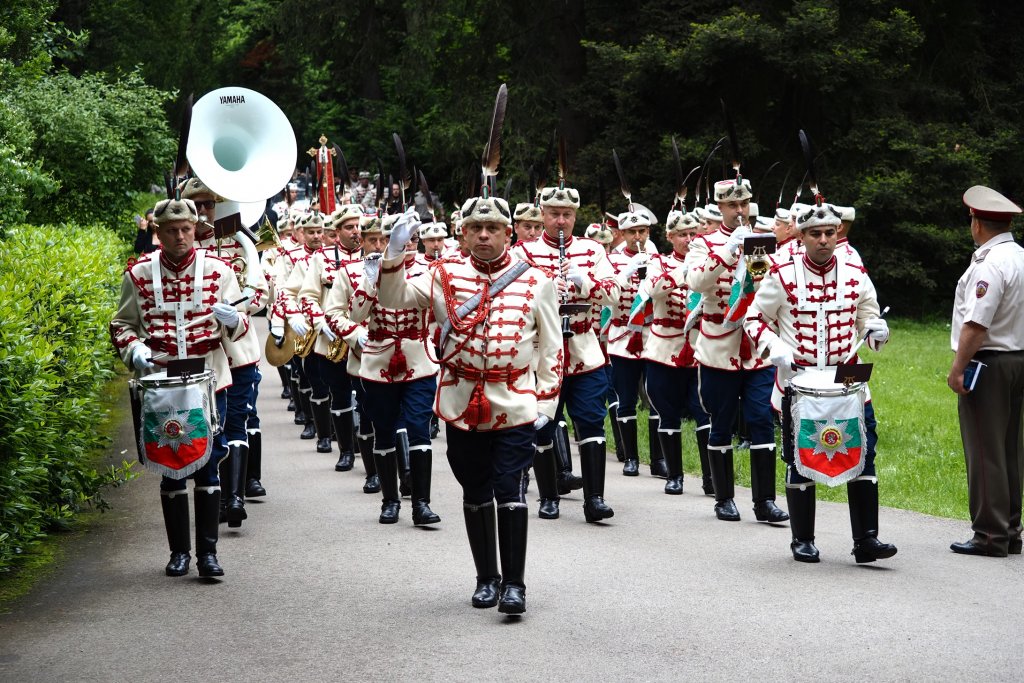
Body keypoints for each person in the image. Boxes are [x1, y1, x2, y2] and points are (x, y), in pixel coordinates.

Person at [377, 197, 562, 615]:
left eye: (493, 228)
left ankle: (515, 585)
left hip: (515, 401)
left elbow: (552, 349)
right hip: (461, 402)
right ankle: (486, 579)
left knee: (510, 487)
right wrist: (394, 253)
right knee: (475, 488)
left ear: (508, 233)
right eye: (475, 228)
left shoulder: (536, 281)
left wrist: (547, 405)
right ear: (462, 233)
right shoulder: (443, 275)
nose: (483, 235)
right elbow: (395, 299)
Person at [744, 202, 894, 563]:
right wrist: (776, 347)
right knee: (801, 458)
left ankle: (866, 540)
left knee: (865, 454)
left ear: (838, 233)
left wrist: (878, 333)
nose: (824, 240)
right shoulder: (780, 272)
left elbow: (868, 320)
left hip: (849, 381)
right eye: (815, 234)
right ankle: (803, 539)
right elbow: (753, 320)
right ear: (801, 235)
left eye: (830, 233)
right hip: (799, 381)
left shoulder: (856, 271)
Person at [110, 195, 249, 578]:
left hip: (209, 377)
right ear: (158, 233)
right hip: (161, 381)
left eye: (186, 229)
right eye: (171, 231)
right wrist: (135, 349)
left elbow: (242, 327)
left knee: (208, 463)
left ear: (195, 229)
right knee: (170, 464)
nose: (180, 237)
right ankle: (178, 553)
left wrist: (233, 319)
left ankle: (208, 554)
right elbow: (121, 324)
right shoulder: (138, 274)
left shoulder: (219, 270)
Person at [512, 182, 621, 522]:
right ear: (542, 215)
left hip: (584, 351)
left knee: (591, 423)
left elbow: (615, 294)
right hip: (542, 354)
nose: (561, 221)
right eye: (554, 214)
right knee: (544, 425)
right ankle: (549, 497)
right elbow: (513, 300)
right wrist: (547, 288)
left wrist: (582, 281)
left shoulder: (592, 251)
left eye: (567, 215)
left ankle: (595, 499)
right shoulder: (523, 253)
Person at [685, 178, 789, 524]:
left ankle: (765, 502)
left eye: (744, 204)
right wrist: (729, 250)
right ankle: (724, 498)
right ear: (720, 207)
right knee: (722, 422)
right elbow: (696, 282)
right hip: (719, 346)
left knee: (761, 420)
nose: (740, 211)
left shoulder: (763, 241)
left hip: (756, 348)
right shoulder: (703, 243)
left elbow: (773, 285)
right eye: (732, 205)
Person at [181, 177, 270, 525]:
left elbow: (261, 294)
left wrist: (238, 310)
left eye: (209, 204)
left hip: (237, 347)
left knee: (237, 419)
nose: (203, 211)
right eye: (197, 205)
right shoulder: (179, 250)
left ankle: (233, 498)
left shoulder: (239, 244)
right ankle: (214, 492)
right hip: (201, 354)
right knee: (207, 425)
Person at [347, 211, 440, 526]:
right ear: (384, 240)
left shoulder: (430, 269)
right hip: (379, 360)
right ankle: (390, 501)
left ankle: (421, 504)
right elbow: (356, 315)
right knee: (384, 430)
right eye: (397, 238)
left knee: (417, 427)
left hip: (418, 359)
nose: (409, 243)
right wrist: (370, 283)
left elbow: (429, 302)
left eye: (413, 238)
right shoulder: (367, 269)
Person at [948, 185, 1024, 557]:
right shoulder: (1020, 257)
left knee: (984, 448)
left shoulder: (990, 264)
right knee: (1009, 447)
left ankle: (989, 534)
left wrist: (958, 368)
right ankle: (1010, 528)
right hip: (1018, 359)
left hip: (989, 362)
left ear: (976, 223)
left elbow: (977, 324)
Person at [644, 210, 713, 495]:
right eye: (682, 235)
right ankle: (675, 475)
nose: (688, 239)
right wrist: (683, 272)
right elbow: (653, 290)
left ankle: (711, 478)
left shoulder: (709, 263)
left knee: (704, 412)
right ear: (670, 237)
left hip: (699, 347)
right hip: (665, 347)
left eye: (693, 234)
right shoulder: (658, 262)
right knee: (667, 412)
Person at [298, 204, 364, 470]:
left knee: (367, 395)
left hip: (363, 339)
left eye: (358, 226)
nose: (356, 231)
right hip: (332, 338)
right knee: (339, 394)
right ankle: (346, 451)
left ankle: (368, 448)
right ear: (337, 232)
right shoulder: (320, 258)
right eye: (349, 227)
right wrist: (319, 321)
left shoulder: (372, 255)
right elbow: (307, 296)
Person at [606, 207, 666, 478]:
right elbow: (607, 298)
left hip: (653, 336)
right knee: (626, 398)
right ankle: (630, 457)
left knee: (655, 399)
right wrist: (624, 273)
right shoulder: (611, 261)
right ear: (622, 233)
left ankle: (658, 460)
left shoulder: (658, 259)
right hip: (623, 337)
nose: (638, 237)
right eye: (632, 232)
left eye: (642, 231)